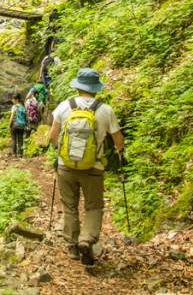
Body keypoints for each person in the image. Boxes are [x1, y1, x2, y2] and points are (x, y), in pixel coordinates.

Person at [48, 68, 125, 266]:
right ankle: (87, 239)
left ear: (78, 86)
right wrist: (119, 154)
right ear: (96, 88)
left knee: (69, 206)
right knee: (94, 206)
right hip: (93, 167)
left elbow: (52, 137)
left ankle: (73, 246)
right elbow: (119, 141)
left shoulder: (65, 106)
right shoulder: (106, 110)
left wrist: (61, 152)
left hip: (66, 166)